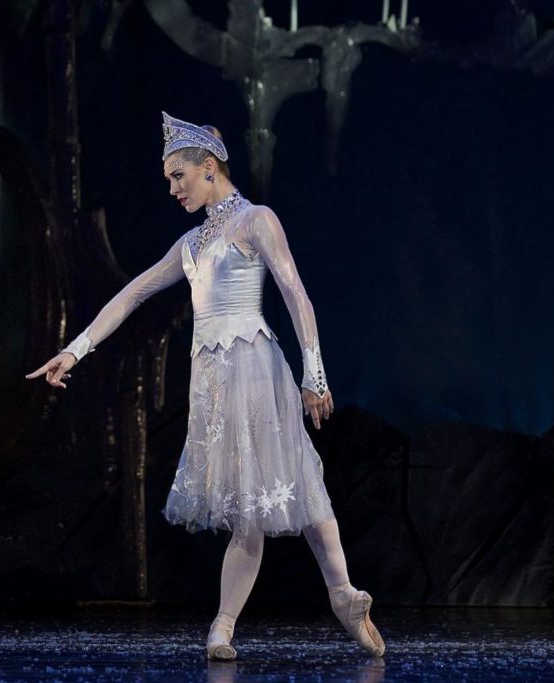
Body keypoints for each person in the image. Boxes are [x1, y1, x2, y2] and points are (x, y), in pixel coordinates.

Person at [27, 113, 385, 660]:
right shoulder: (191, 244)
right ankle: (237, 623)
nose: (172, 188)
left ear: (209, 168)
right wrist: (74, 349)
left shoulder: (256, 220)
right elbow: (133, 294)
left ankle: (332, 596)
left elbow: (295, 294)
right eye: (169, 178)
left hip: (256, 370)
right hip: (215, 384)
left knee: (292, 481)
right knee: (251, 505)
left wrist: (315, 375)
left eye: (178, 176)